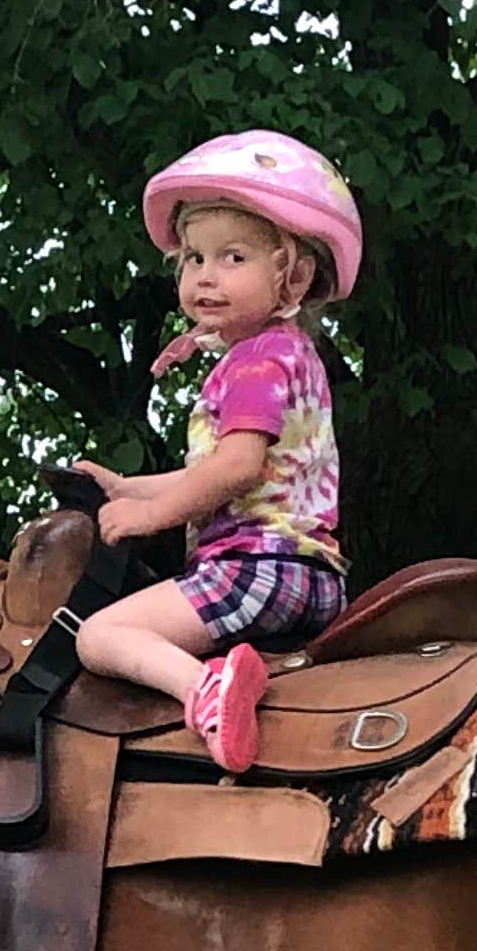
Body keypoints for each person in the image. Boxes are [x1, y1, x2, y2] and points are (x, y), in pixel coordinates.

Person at [68, 130, 363, 773]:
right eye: (195, 259)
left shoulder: (258, 359)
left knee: (100, 635)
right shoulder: (281, 356)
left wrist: (152, 518)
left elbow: (237, 468)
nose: (206, 276)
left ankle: (207, 691)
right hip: (304, 572)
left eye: (233, 257)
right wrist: (130, 488)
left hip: (258, 567)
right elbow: (214, 472)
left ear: (296, 276)